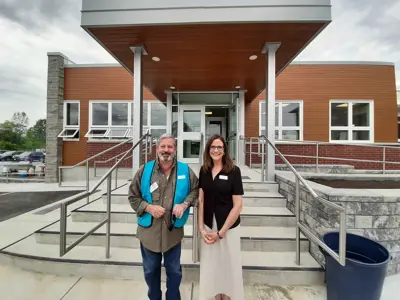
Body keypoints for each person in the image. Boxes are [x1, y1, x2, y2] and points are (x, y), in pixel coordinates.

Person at [128, 133, 199, 300]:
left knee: (174, 271)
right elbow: (133, 196)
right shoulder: (144, 170)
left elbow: (196, 190)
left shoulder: (185, 170)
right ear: (157, 148)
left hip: (173, 232)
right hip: (149, 232)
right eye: (163, 146)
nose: (166, 150)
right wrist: (149, 207)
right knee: (151, 271)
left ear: (175, 150)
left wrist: (184, 204)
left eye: (170, 147)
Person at [198, 134, 244, 300]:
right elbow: (201, 200)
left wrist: (222, 232)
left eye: (219, 147)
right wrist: (201, 228)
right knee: (213, 266)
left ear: (224, 150)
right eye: (212, 147)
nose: (216, 150)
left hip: (229, 228)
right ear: (208, 150)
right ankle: (216, 296)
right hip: (210, 226)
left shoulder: (233, 171)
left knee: (228, 265)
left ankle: (228, 296)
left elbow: (238, 205)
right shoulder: (204, 171)